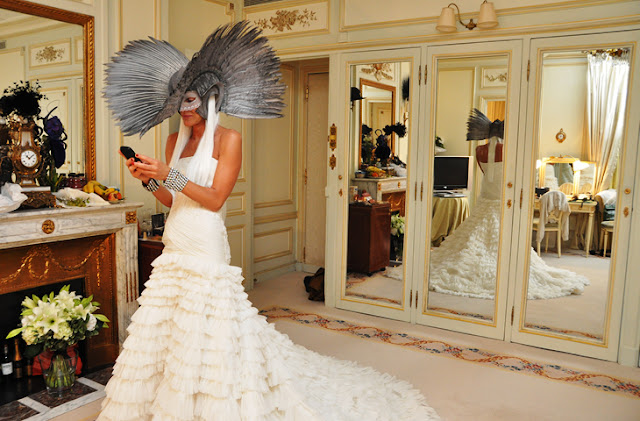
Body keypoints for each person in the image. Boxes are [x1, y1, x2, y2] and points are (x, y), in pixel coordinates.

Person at [98, 22, 439, 420]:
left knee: (212, 327)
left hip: (205, 241)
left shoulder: (230, 140)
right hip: (176, 240)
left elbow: (215, 199)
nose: (184, 109)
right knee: (171, 325)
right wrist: (150, 179)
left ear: (209, 98)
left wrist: (168, 174)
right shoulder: (175, 141)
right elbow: (173, 199)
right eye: (179, 102)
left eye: (189, 100)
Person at [428, 109, 589, 300]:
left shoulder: (479, 151)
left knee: (473, 236)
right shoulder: (508, 151)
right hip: (501, 199)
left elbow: (485, 172)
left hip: (485, 198)